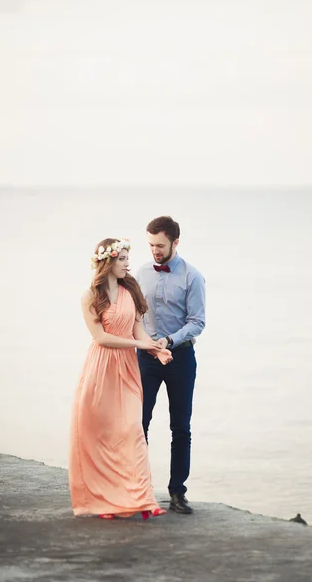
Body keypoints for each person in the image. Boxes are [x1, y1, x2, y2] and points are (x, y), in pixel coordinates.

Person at [69, 237, 172, 520]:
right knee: (100, 434)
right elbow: (101, 337)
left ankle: (143, 499)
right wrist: (142, 346)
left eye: (128, 259)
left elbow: (139, 332)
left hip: (127, 369)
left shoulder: (131, 290)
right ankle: (104, 502)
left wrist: (156, 350)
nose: (128, 264)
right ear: (108, 262)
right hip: (100, 369)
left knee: (132, 430)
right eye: (123, 259)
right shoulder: (90, 296)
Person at [136, 217, 206, 515]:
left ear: (175, 242)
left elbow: (197, 322)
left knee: (181, 427)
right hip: (146, 359)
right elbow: (135, 314)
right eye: (151, 245)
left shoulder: (193, 277)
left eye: (160, 245)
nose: (155, 250)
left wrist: (169, 341)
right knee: (138, 424)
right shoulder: (140, 273)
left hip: (181, 359)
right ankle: (138, 490)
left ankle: (177, 493)